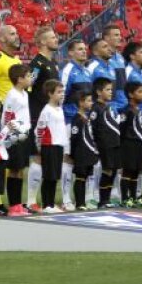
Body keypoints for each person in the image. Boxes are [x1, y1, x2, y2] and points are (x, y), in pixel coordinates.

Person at [26, 25, 59, 212]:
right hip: (38, 115)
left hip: (51, 115)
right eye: (52, 37)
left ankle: (48, 201)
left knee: (50, 157)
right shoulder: (37, 63)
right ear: (43, 42)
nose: (56, 40)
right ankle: (31, 200)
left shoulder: (52, 63)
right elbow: (29, 84)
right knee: (39, 156)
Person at [58, 39, 90, 210]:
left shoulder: (86, 71)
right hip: (69, 120)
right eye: (79, 49)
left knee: (82, 158)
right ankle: (65, 198)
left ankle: (84, 197)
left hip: (84, 121)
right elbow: (61, 96)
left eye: (84, 49)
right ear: (70, 53)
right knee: (68, 158)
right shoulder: (68, 70)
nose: (83, 52)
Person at [2, 64, 32, 215]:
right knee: (14, 170)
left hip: (24, 135)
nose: (30, 78)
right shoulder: (12, 95)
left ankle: (18, 204)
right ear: (19, 79)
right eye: (28, 76)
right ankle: (13, 205)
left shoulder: (25, 94)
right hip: (14, 136)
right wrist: (8, 134)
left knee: (20, 170)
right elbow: (7, 116)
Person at [35, 80, 67, 213]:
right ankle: (46, 204)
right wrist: (40, 147)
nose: (62, 94)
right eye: (58, 92)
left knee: (55, 176)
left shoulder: (59, 109)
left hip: (58, 145)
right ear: (50, 94)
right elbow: (40, 129)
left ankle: (51, 204)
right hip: (49, 146)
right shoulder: (46, 110)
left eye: (62, 92)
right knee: (49, 176)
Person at [91, 79, 121, 208]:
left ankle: (107, 199)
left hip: (114, 143)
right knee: (107, 170)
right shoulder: (96, 108)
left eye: (111, 89)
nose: (111, 92)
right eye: (107, 90)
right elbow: (92, 128)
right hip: (104, 145)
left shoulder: (109, 107)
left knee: (113, 171)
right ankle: (102, 200)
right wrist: (95, 145)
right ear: (98, 92)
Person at [119, 83, 142, 207]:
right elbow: (122, 128)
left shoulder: (138, 109)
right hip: (129, 143)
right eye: (139, 92)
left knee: (136, 171)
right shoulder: (127, 110)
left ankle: (133, 197)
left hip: (138, 143)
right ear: (131, 94)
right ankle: (125, 198)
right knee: (128, 171)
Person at [69, 91, 98, 212]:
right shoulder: (77, 119)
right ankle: (79, 203)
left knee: (85, 177)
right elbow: (74, 137)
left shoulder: (86, 118)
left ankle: (84, 201)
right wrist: (74, 154)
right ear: (81, 103)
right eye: (88, 100)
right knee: (80, 178)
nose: (91, 103)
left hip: (88, 152)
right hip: (81, 153)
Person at [0, 25, 22, 109]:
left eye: (17, 34)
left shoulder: (17, 60)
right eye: (12, 34)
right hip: (4, 108)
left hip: (17, 108)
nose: (17, 37)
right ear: (2, 39)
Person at [101, 25, 128, 110]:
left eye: (120, 35)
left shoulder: (120, 57)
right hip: (111, 107)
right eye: (116, 35)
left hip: (123, 105)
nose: (120, 38)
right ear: (106, 38)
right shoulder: (102, 59)